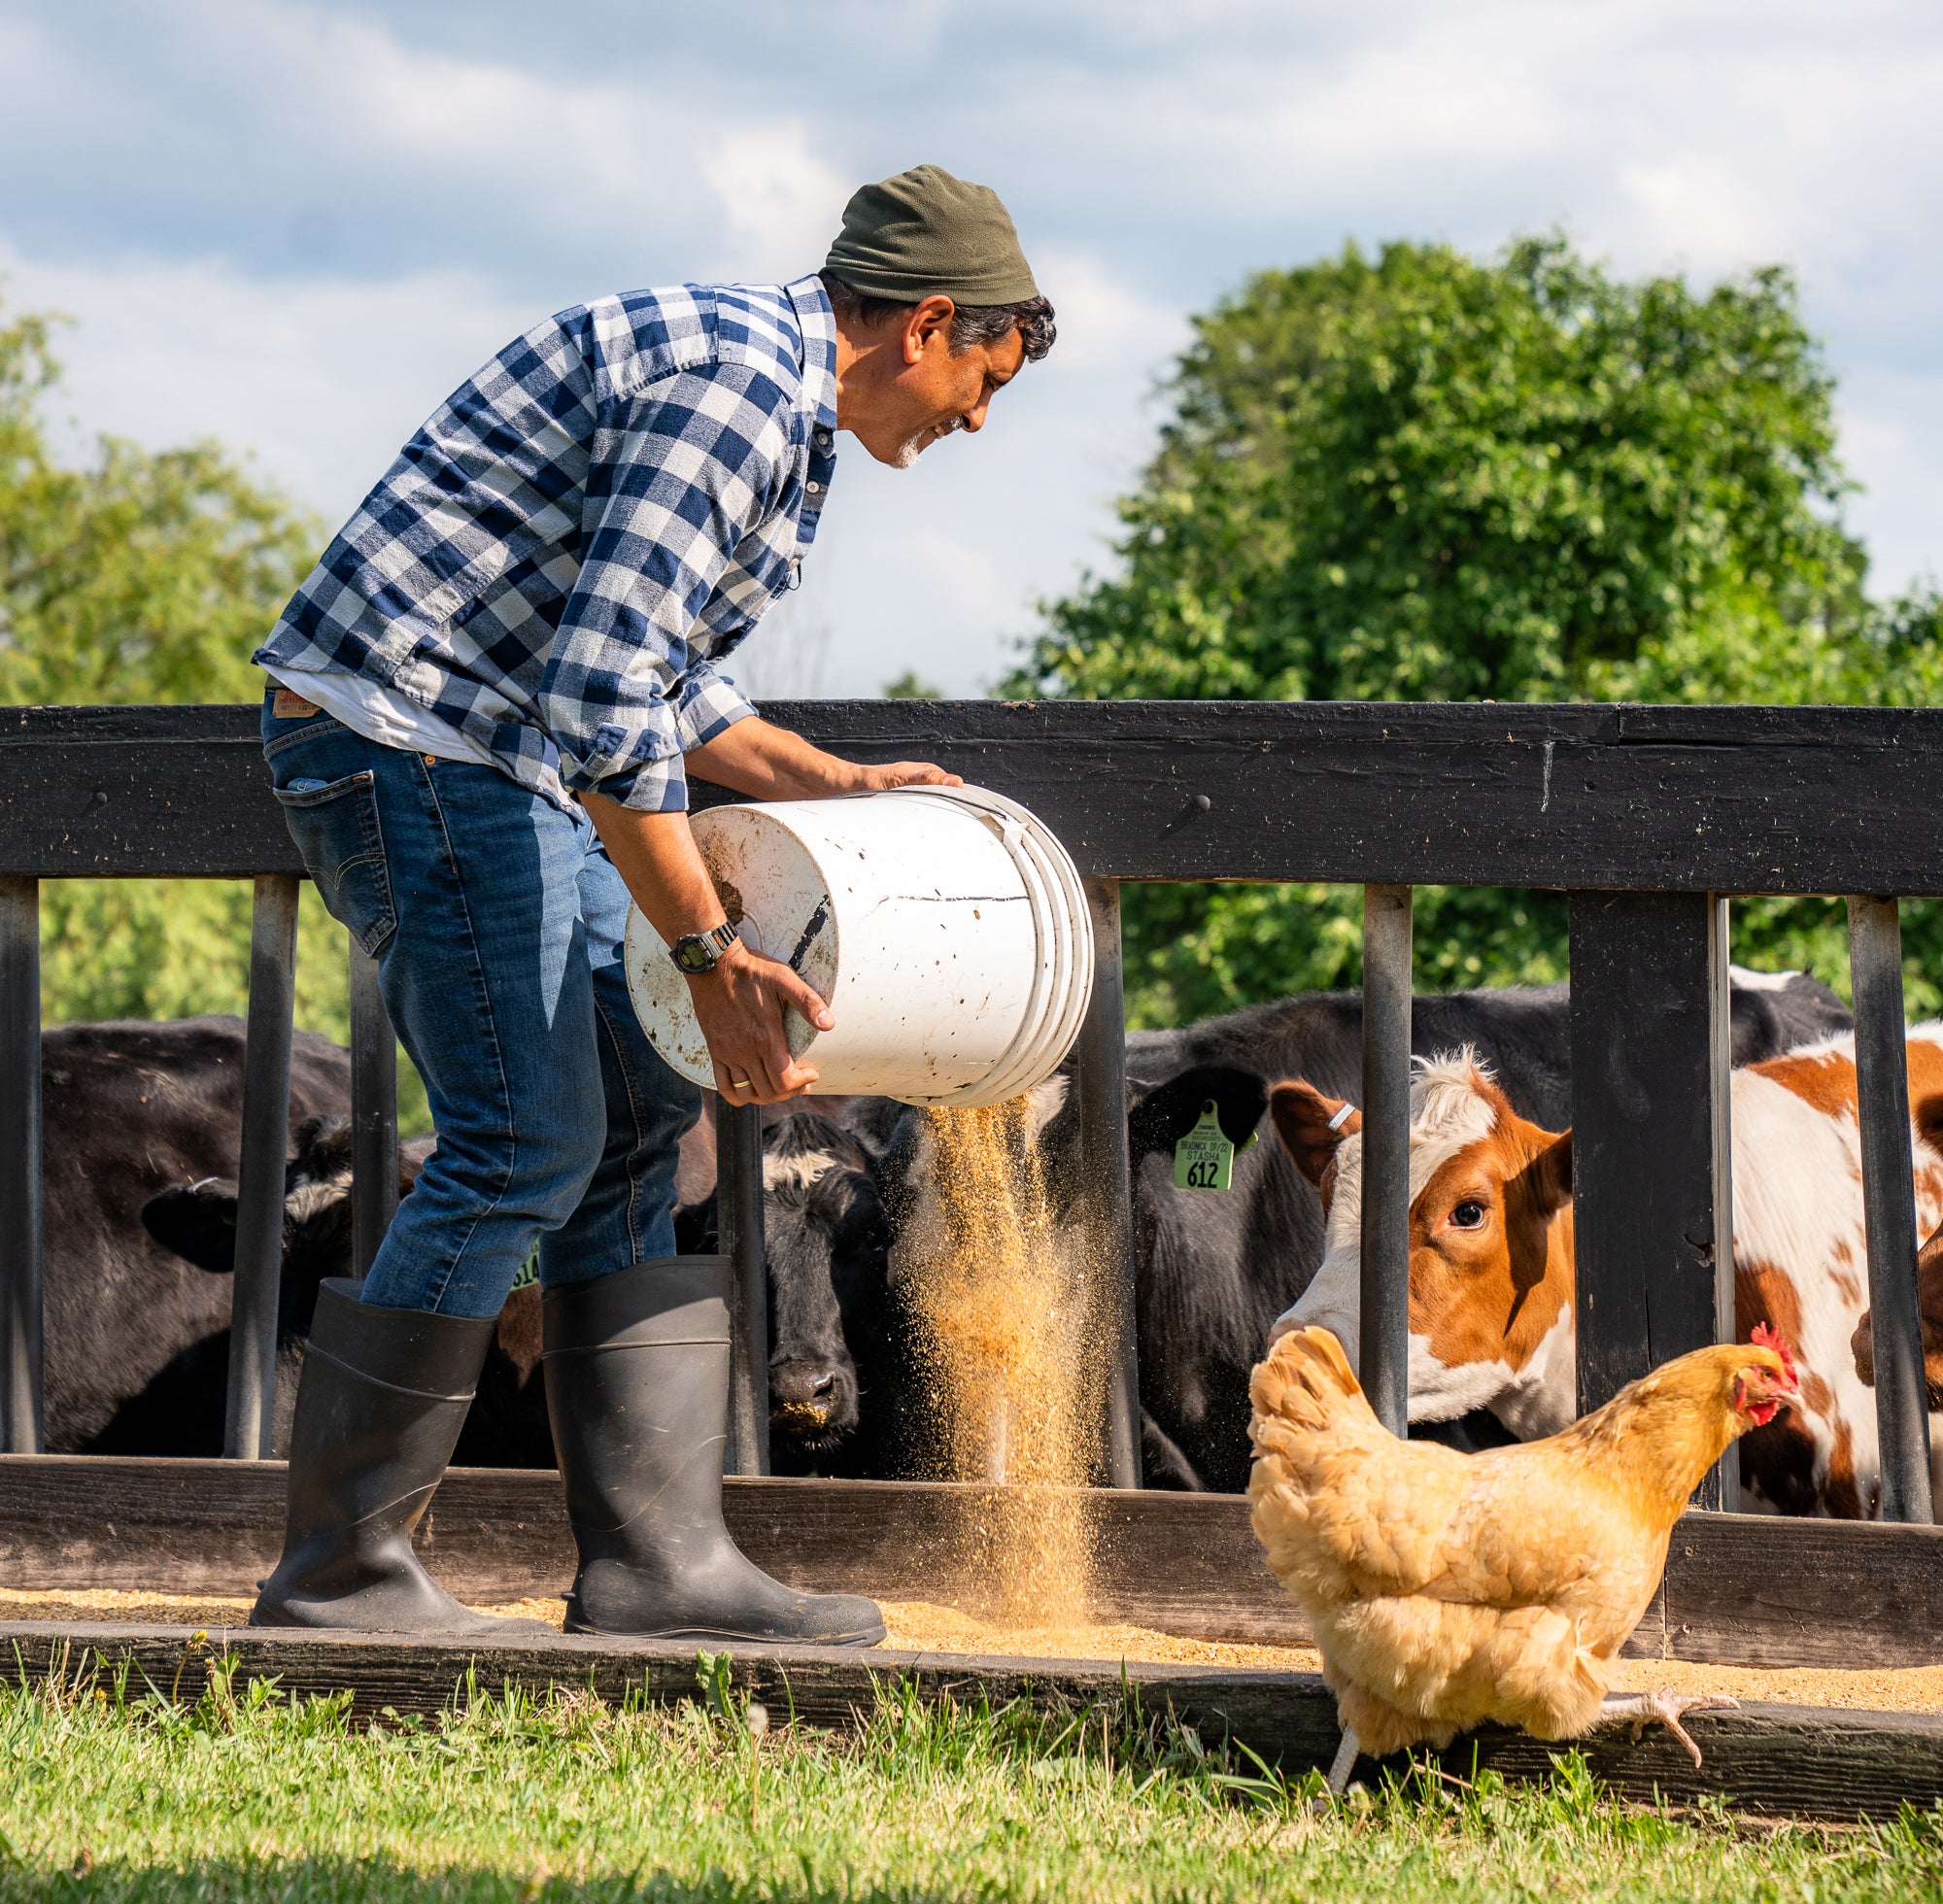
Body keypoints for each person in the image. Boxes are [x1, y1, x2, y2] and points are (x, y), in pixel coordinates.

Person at [248, 165, 1055, 1641]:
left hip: (499, 747)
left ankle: (656, 1568)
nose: (975, 419)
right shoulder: (743, 388)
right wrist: (709, 948)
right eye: (980, 379)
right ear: (927, 320)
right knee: (524, 1135)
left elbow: (659, 672)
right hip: (417, 740)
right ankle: (340, 1581)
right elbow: (607, 697)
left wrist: (822, 777)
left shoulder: (777, 400)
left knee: (627, 1128)